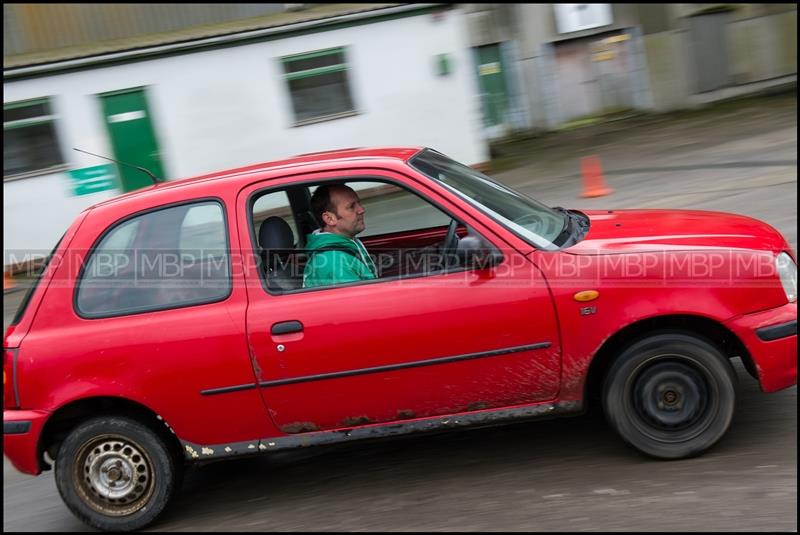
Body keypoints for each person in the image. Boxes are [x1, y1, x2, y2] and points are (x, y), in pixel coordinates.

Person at [302, 184, 378, 288]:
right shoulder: (332, 262)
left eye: (359, 203)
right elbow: (361, 302)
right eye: (351, 206)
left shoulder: (345, 245)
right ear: (329, 218)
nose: (361, 210)